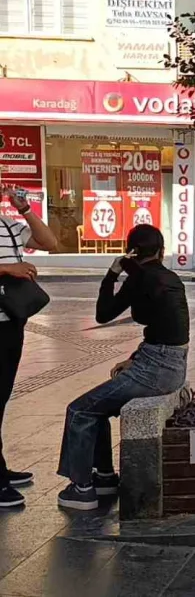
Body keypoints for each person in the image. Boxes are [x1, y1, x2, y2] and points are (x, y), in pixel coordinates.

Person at [56, 225, 189, 510]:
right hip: (169, 364)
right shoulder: (170, 277)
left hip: (155, 370)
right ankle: (104, 477)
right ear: (161, 251)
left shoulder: (138, 279)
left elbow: (103, 314)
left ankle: (82, 489)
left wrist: (112, 274)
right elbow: (169, 330)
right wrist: (136, 356)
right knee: (98, 408)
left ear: (132, 252)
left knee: (79, 410)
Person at [0, 184, 58, 508]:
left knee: (1, 397)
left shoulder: (8, 226)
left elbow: (49, 242)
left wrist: (22, 208)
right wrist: (8, 268)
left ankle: (1, 469)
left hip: (11, 322)